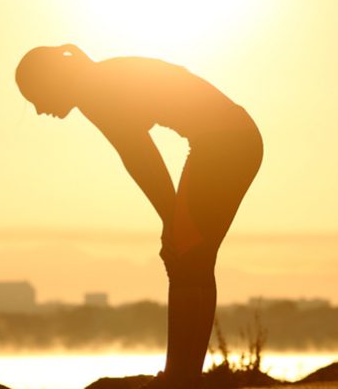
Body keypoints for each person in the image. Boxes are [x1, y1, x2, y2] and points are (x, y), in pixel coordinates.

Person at [15, 44, 262, 388]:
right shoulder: (94, 79)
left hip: (224, 144)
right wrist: (171, 219)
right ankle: (183, 376)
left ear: (50, 81)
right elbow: (140, 155)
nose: (40, 110)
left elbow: (141, 158)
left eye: (35, 97)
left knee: (187, 258)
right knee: (193, 259)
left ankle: (179, 378)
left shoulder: (92, 89)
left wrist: (170, 220)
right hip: (234, 139)